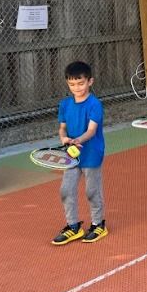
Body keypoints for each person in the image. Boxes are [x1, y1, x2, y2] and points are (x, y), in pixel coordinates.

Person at [52, 61, 106, 245]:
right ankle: (73, 226)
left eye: (80, 83)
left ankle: (98, 224)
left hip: (91, 154)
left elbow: (91, 131)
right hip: (72, 156)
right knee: (66, 190)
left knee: (92, 191)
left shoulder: (94, 104)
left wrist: (78, 140)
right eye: (72, 84)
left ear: (90, 81)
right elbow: (62, 128)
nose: (77, 88)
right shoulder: (65, 104)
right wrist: (64, 139)